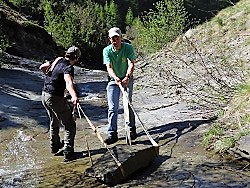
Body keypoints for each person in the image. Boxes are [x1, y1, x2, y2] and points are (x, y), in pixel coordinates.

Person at [39, 46, 81, 162]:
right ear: (76, 58)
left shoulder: (57, 60)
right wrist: (74, 96)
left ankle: (55, 146)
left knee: (54, 121)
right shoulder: (68, 67)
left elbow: (42, 67)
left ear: (66, 54)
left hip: (44, 94)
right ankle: (68, 152)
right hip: (55, 97)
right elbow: (68, 82)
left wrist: (52, 79)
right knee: (70, 125)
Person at [103, 27, 137, 145]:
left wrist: (127, 77)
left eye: (117, 38)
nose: (115, 40)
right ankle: (112, 134)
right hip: (113, 80)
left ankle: (131, 130)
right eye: (113, 38)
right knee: (113, 108)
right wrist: (116, 78)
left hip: (127, 78)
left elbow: (132, 63)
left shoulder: (128, 48)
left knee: (128, 104)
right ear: (109, 39)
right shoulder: (107, 51)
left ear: (121, 38)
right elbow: (109, 67)